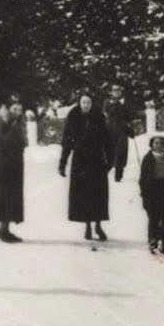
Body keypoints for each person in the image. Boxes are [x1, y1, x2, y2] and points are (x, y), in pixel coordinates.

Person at [59, 91, 112, 241]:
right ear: (79, 103)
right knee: (83, 195)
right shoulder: (73, 117)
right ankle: (87, 226)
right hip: (80, 161)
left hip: (96, 161)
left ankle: (98, 225)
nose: (86, 105)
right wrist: (63, 163)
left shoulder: (99, 117)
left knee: (98, 195)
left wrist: (109, 161)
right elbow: (67, 142)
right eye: (83, 102)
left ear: (92, 104)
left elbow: (107, 140)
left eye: (88, 102)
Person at [0, 95, 27, 243]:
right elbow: (0, 143)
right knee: (4, 196)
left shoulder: (15, 122)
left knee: (11, 197)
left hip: (14, 164)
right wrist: (15, 130)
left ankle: (4, 229)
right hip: (4, 165)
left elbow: (22, 142)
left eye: (19, 109)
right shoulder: (3, 121)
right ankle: (3, 230)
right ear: (9, 109)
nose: (17, 112)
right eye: (14, 109)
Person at [104, 83, 137, 182]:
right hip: (110, 130)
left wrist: (130, 129)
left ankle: (118, 176)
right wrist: (115, 103)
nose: (116, 92)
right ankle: (103, 174)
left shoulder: (125, 102)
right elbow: (107, 114)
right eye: (114, 90)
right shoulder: (107, 102)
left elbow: (129, 116)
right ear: (111, 92)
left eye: (118, 90)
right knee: (109, 153)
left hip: (122, 131)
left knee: (121, 152)